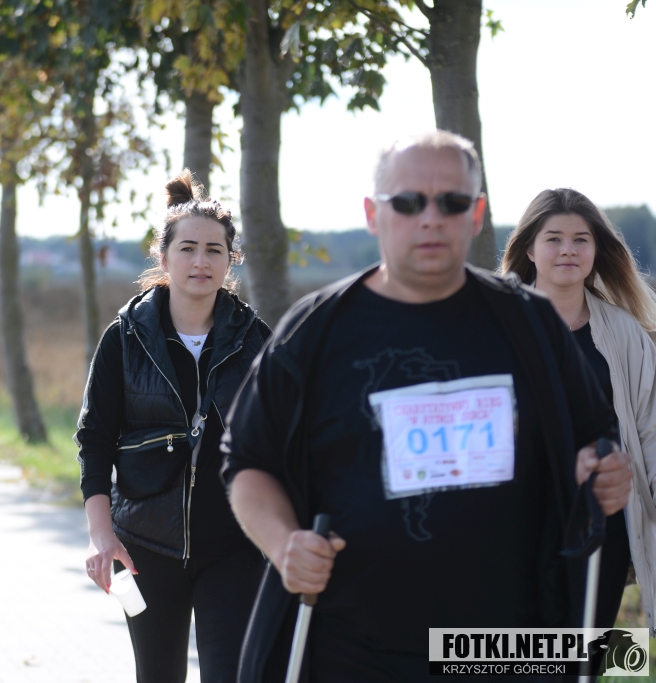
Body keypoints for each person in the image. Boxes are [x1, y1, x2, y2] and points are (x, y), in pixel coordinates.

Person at [222, 131, 633, 682]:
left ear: (477, 215)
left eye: (452, 202)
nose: (431, 219)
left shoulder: (532, 325)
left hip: (504, 650)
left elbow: (595, 442)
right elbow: (248, 460)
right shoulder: (316, 331)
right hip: (350, 651)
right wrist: (284, 544)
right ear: (373, 214)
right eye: (409, 202)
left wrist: (603, 474)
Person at [76, 169, 271, 683]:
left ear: (230, 260)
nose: (200, 261)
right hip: (144, 549)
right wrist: (100, 536)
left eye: (213, 250)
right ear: (163, 257)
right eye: (187, 248)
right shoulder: (125, 338)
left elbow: (280, 443)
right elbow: (95, 440)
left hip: (236, 549)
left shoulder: (257, 340)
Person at [502, 188, 656, 633]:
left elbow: (649, 428)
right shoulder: (496, 325)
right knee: (511, 654)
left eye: (580, 239)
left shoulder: (625, 333)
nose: (567, 249)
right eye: (553, 239)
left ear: (595, 250)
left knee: (585, 653)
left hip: (603, 524)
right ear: (530, 249)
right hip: (516, 526)